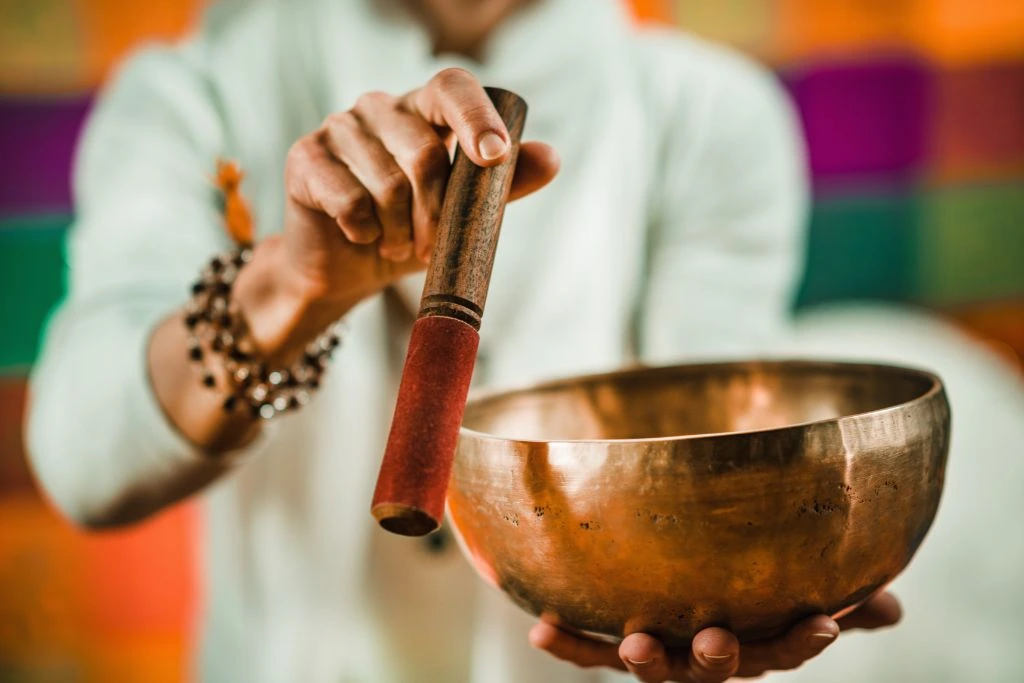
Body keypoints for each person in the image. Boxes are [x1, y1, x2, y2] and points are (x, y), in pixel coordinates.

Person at [25, 0, 899, 681]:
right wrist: (292, 285)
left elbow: (705, 460)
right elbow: (84, 461)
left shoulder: (712, 114)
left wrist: (736, 587)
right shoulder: (190, 92)